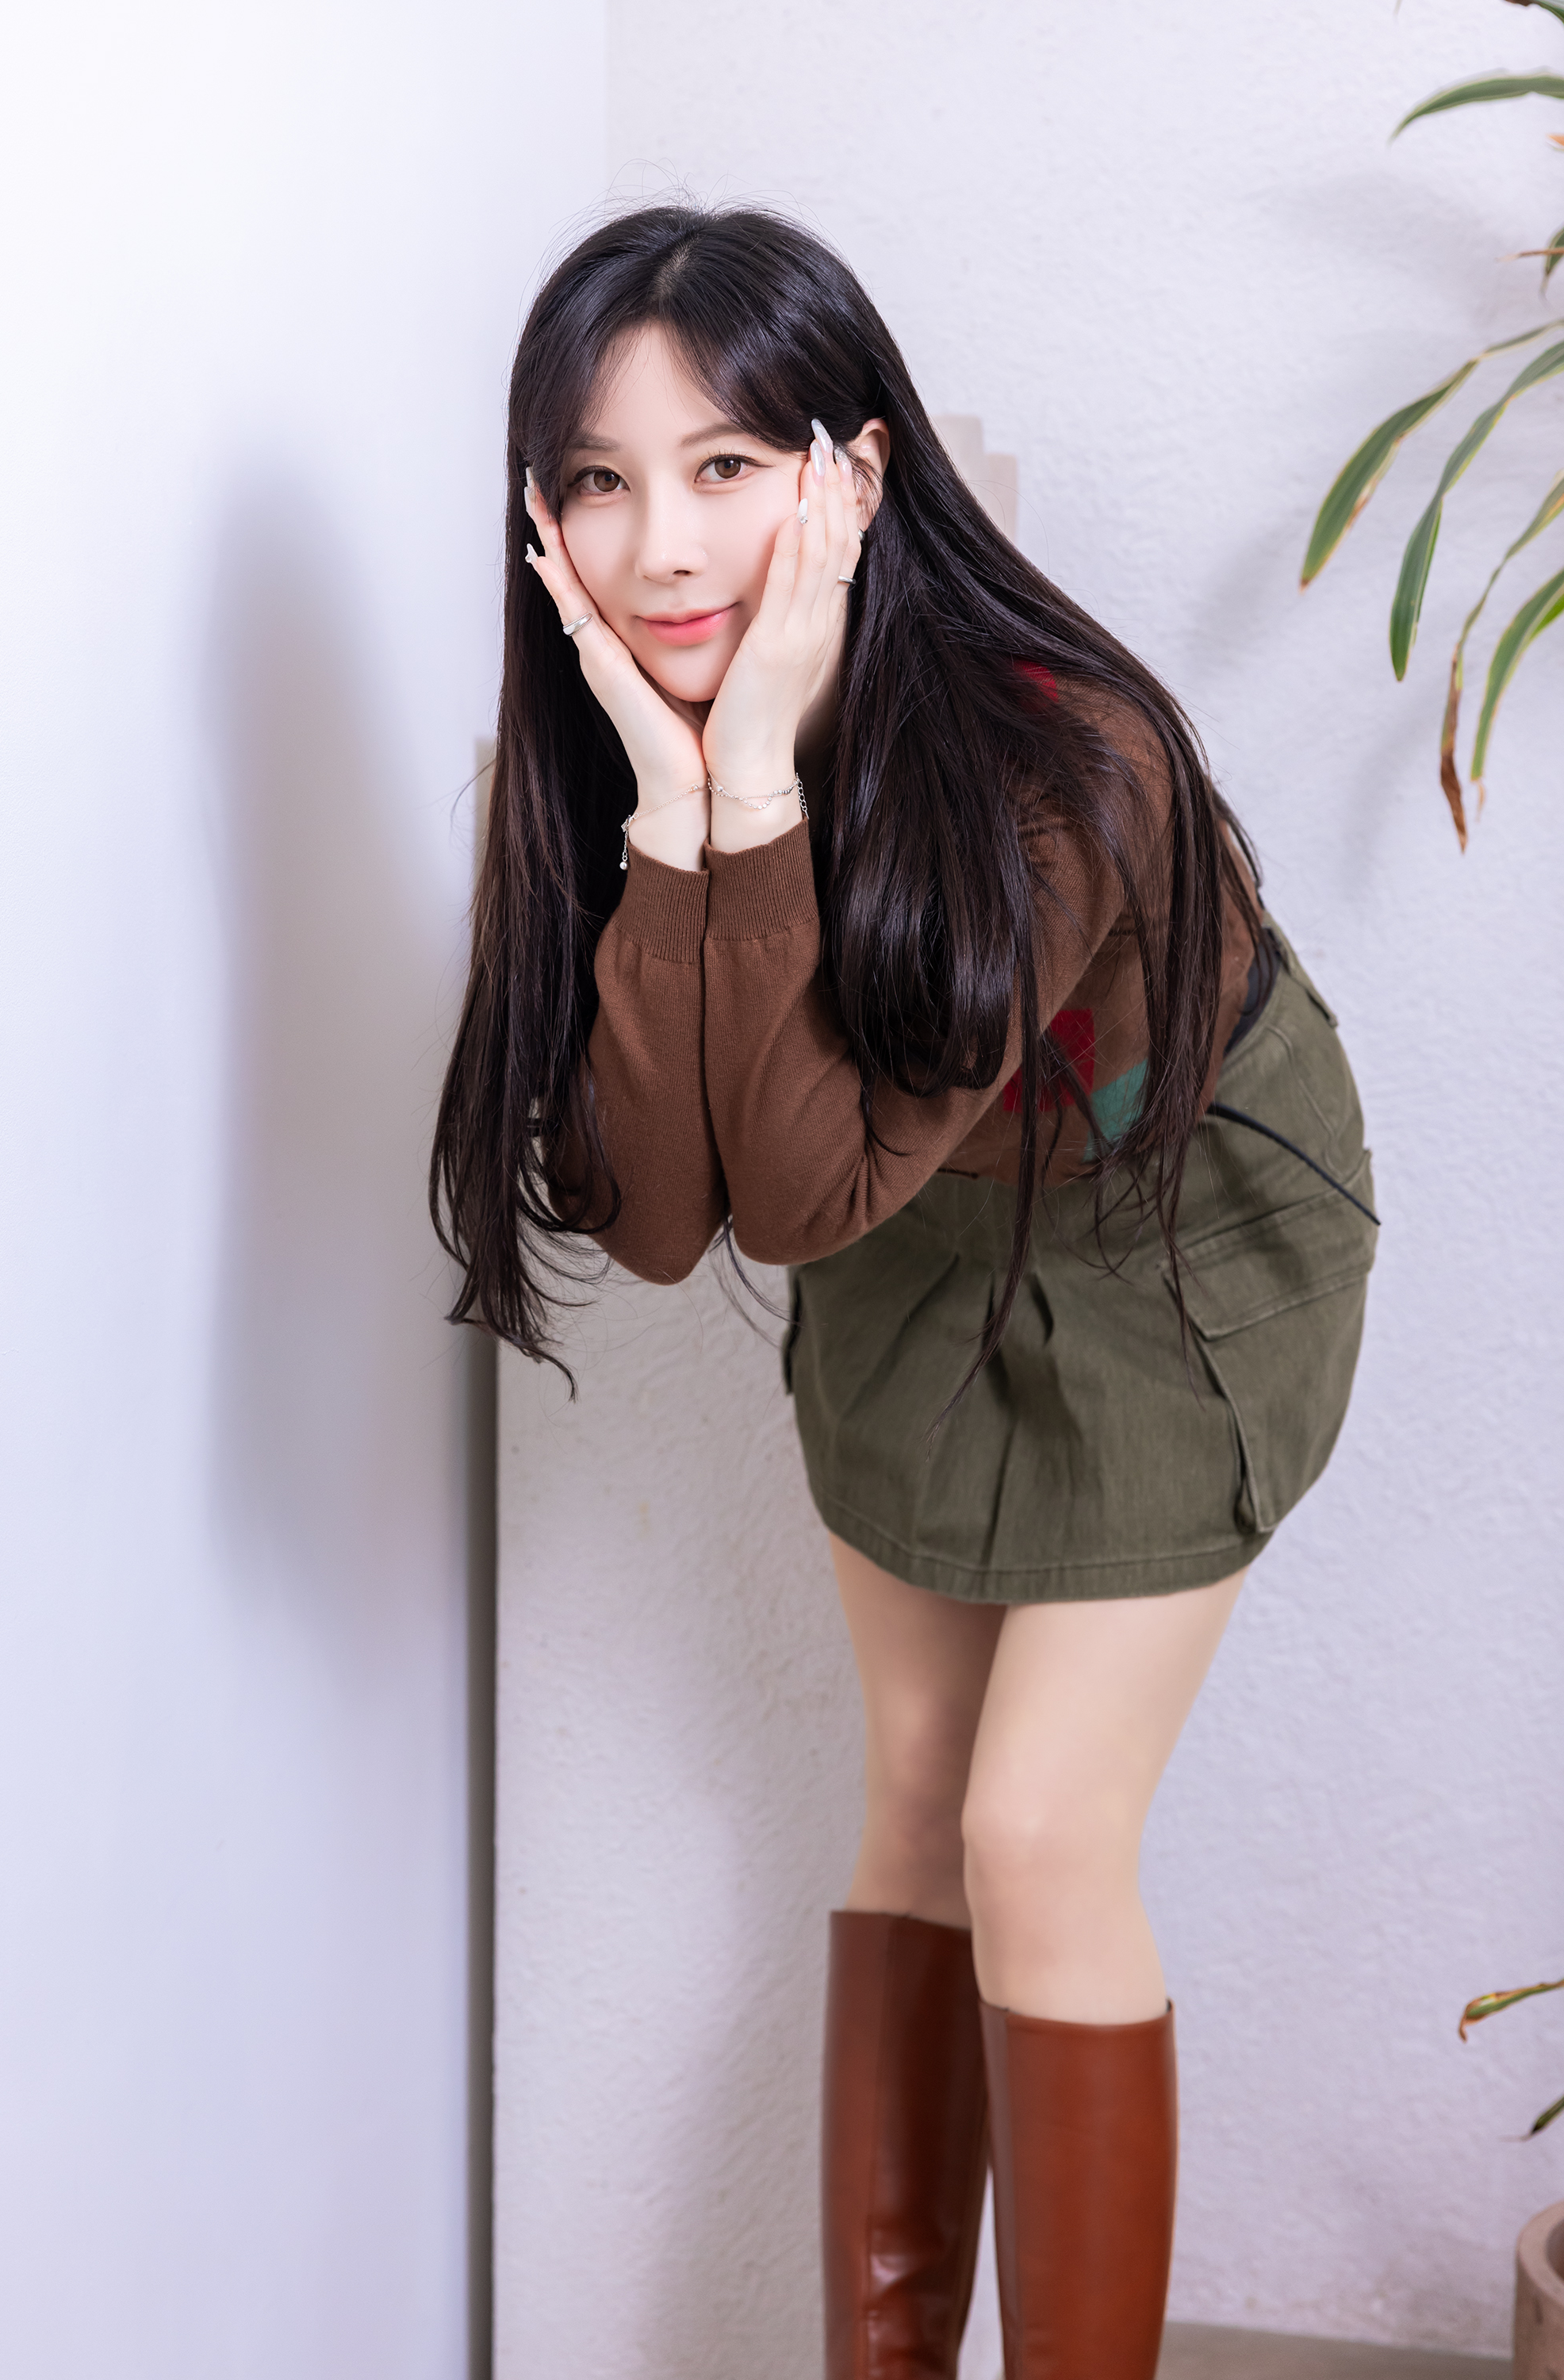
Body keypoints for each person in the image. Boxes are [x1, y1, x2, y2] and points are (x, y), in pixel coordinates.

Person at [431, 203, 1378, 2380]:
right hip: (909, 1229)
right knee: (923, 1790)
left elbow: (786, 1201)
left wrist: (752, 782)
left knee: (1040, 1831)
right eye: (597, 480)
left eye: (725, 466)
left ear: (854, 474)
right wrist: (680, 811)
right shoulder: (603, 758)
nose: (662, 546)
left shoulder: (1063, 757)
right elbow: (671, 1214)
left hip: (1168, 1238)